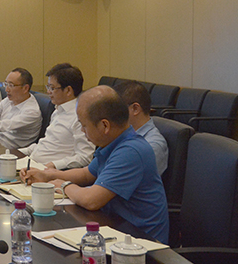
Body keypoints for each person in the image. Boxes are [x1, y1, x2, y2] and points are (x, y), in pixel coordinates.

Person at [21, 86, 169, 243]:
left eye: (84, 126)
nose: (82, 131)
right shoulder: (114, 142)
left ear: (105, 126)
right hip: (115, 226)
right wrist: (48, 175)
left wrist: (63, 185)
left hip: (140, 241)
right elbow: (87, 174)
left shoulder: (131, 151)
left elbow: (91, 200)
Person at [19, 63, 94, 169]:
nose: (48, 91)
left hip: (52, 172)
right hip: (33, 164)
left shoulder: (80, 117)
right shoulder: (58, 110)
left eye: (52, 88)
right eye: (48, 87)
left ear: (68, 90)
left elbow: (85, 157)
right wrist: (19, 152)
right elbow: (48, 144)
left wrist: (54, 165)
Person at [114, 80, 168, 175]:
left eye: (116, 109)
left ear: (135, 109)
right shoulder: (122, 135)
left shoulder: (152, 146)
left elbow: (124, 180)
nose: (112, 115)